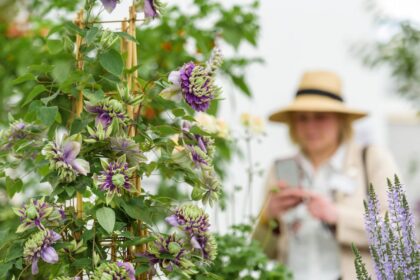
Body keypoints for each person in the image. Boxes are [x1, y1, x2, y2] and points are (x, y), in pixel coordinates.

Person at [252, 71, 398, 280]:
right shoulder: (280, 169)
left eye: (320, 117)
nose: (310, 127)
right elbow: (260, 254)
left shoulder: (372, 159)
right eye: (302, 118)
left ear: (341, 120)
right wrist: (268, 218)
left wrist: (338, 216)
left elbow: (398, 232)